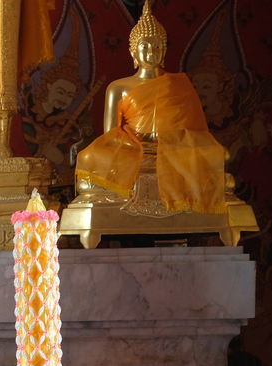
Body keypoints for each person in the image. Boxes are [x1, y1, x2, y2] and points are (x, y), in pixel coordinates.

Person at [74, 0, 226, 214]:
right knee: (90, 163)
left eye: (157, 46)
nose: (151, 51)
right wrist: (134, 147)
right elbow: (110, 134)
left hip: (172, 151)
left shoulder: (177, 86)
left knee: (216, 166)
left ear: (164, 50)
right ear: (133, 51)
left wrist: (174, 145)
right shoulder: (119, 87)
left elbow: (192, 131)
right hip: (133, 151)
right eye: (145, 45)